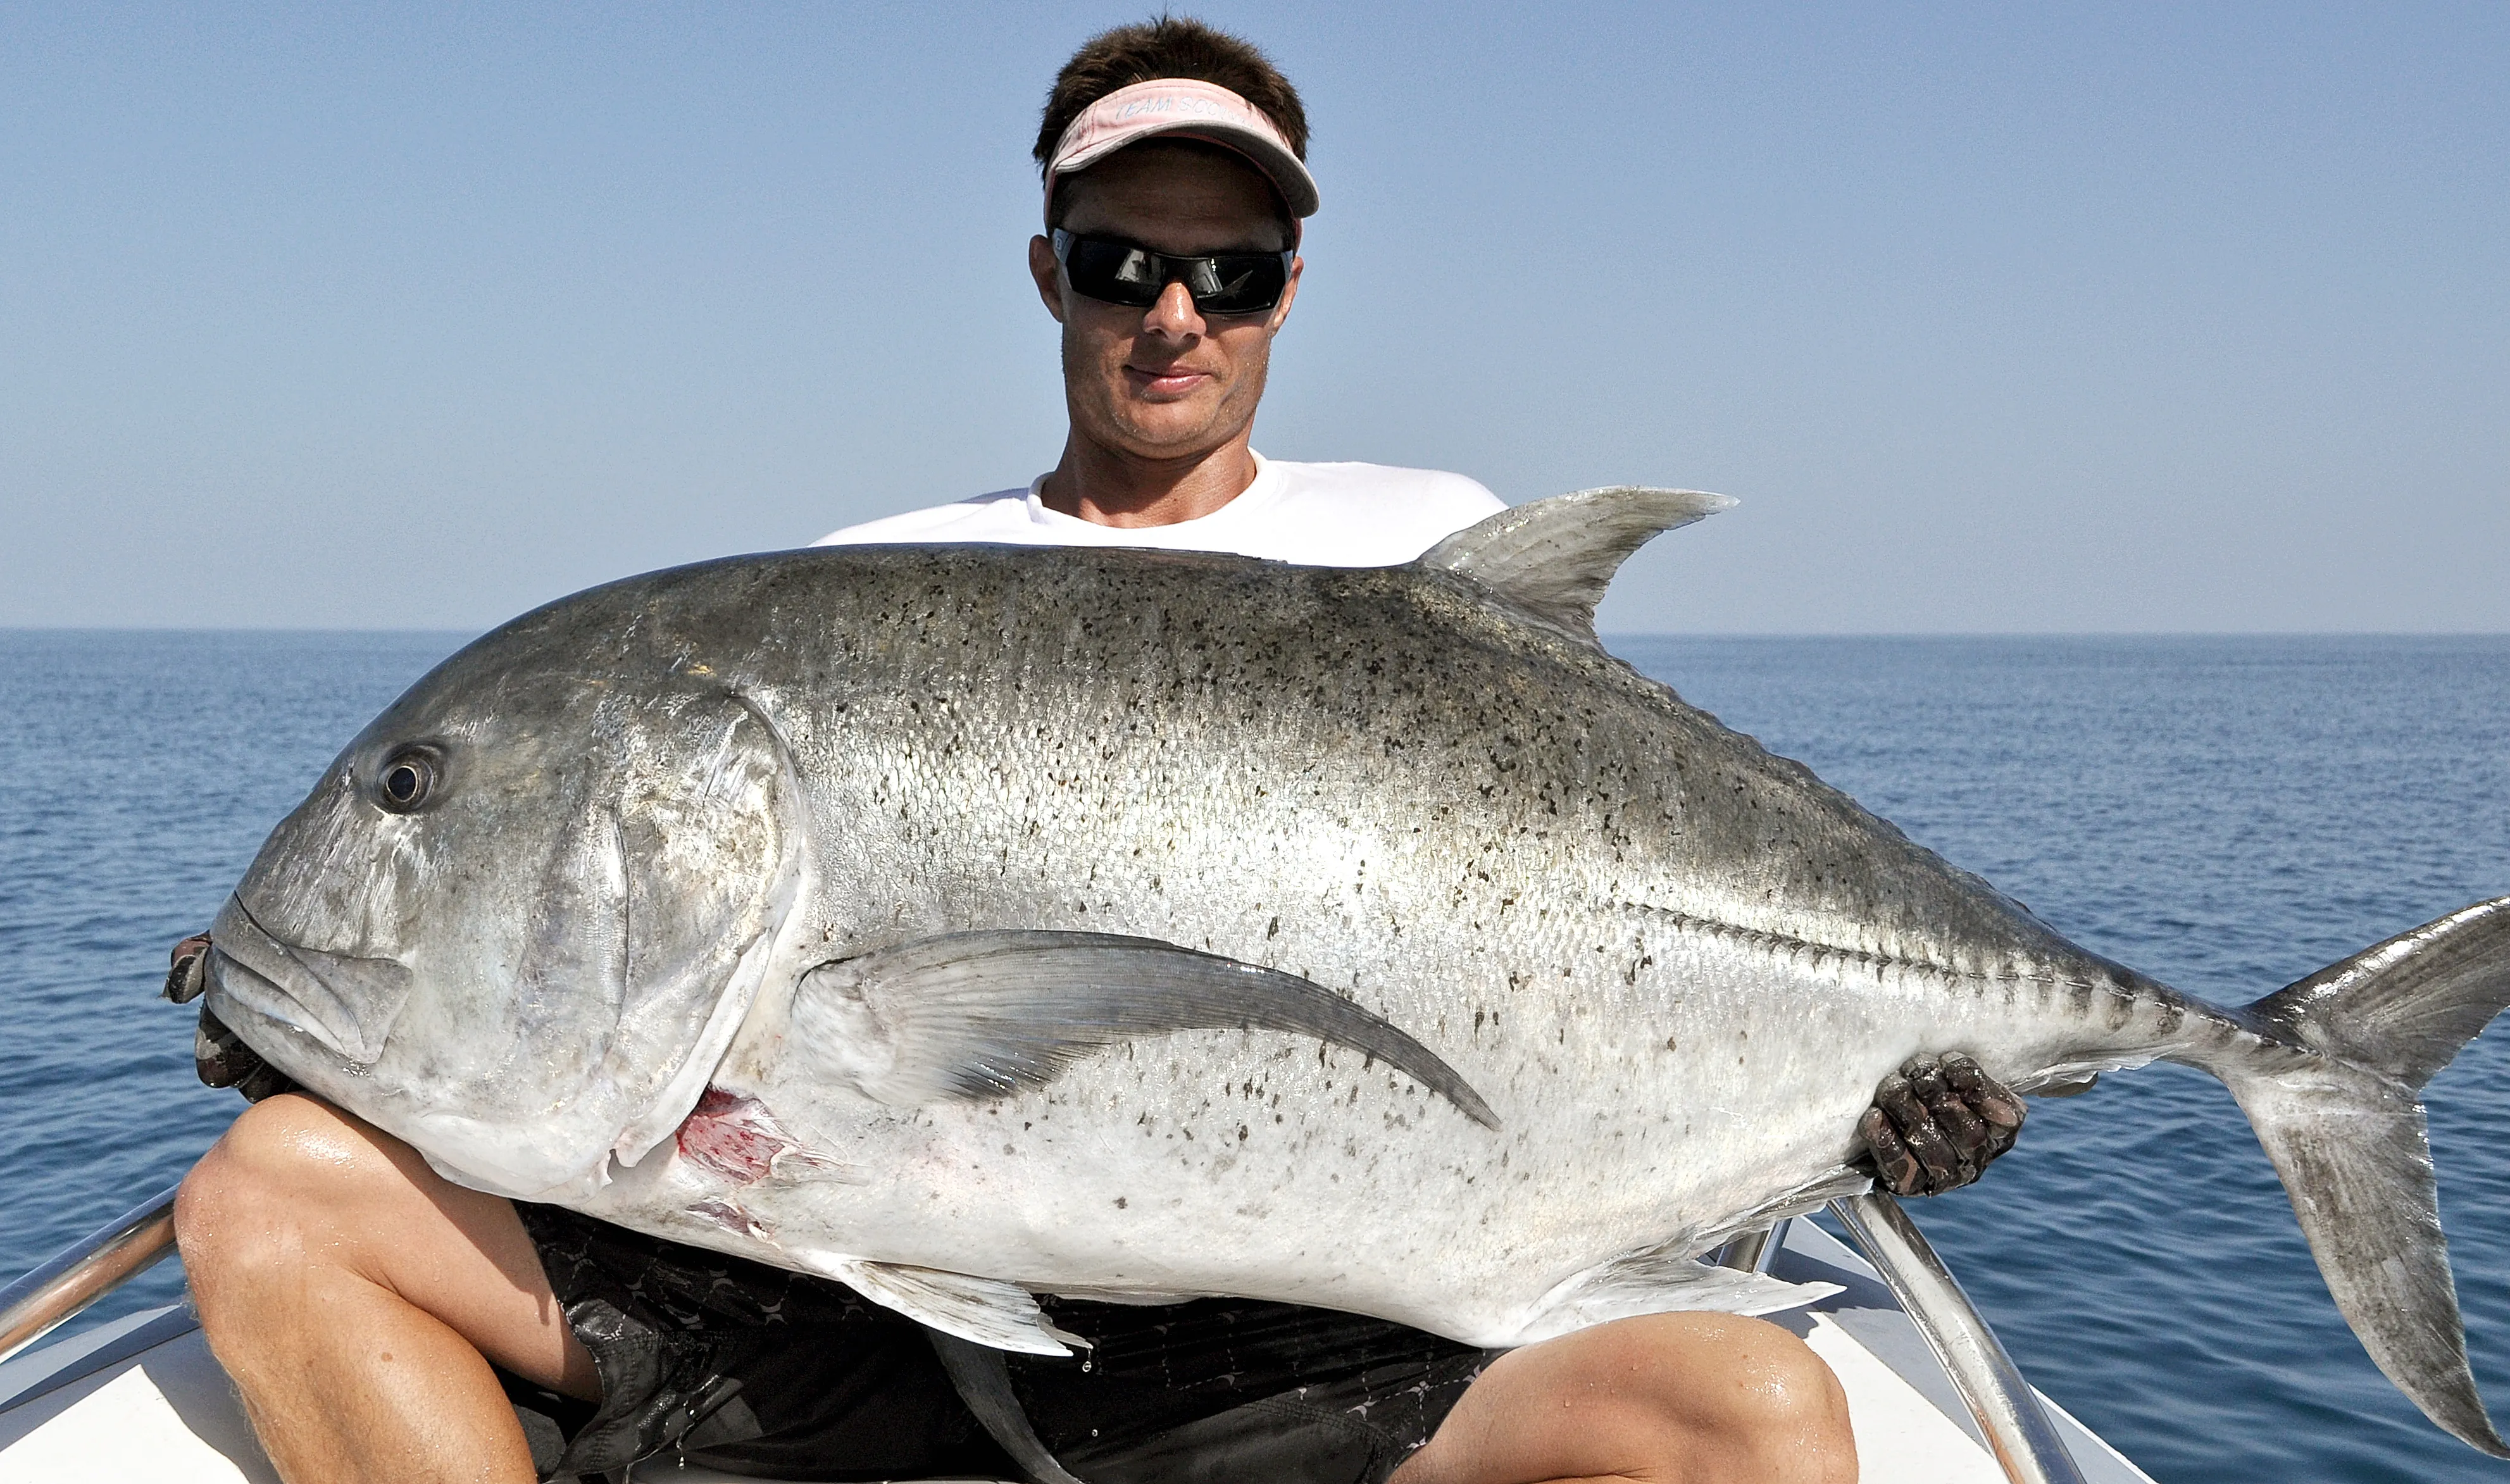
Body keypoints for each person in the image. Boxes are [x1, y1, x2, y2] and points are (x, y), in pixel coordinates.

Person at [173, 19, 2023, 1484]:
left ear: (1289, 286)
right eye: (1121, 258)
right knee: (269, 1197)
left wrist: (1882, 1097)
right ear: (1048, 270)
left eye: (1227, 272)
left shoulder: (1415, 542)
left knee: (1759, 1424)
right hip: (864, 1302)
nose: (1170, 313)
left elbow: (1593, 939)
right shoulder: (867, 591)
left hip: (1312, 1331)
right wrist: (320, 995)